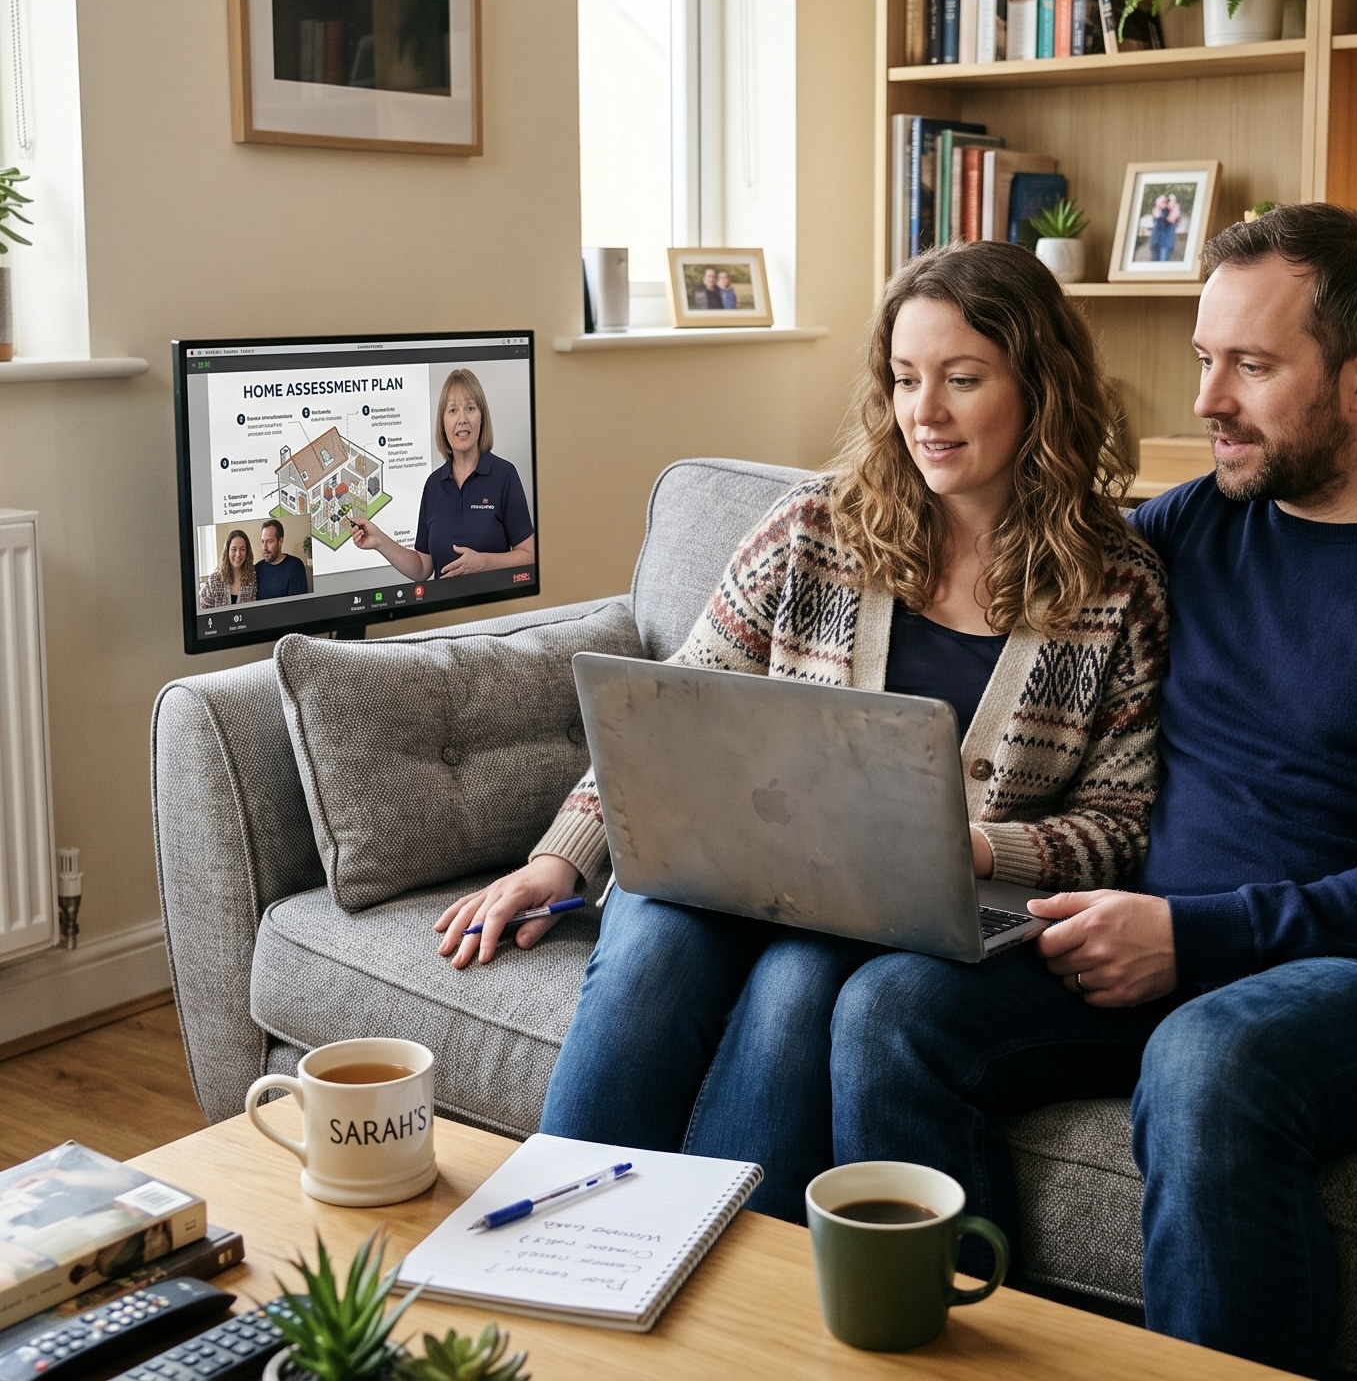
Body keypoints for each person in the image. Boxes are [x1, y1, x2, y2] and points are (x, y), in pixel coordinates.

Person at [830, 202, 1357, 1379]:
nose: (1206, 401)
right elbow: (1013, 573)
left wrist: (1196, 938)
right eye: (1203, 358)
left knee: (1209, 1057)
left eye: (1252, 364)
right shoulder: (1186, 532)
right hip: (1157, 950)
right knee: (894, 1006)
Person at [435, 239, 1168, 1223]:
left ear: (1040, 387)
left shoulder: (1118, 587)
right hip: (738, 870)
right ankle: (552, 1263)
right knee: (649, 939)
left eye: (962, 379)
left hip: (914, 920)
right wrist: (560, 861)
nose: (926, 414)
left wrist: (976, 848)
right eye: (907, 380)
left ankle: (726, 1314)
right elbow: (670, 721)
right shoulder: (812, 527)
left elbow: (1124, 825)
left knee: (796, 983)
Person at [349, 368, 534, 581]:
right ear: (443, 423)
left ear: (481, 418)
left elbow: (529, 556)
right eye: (453, 410)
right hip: (445, 612)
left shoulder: (504, 475)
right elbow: (421, 567)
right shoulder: (433, 485)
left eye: (471, 408)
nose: (462, 419)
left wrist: (483, 563)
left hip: (495, 610)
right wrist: (379, 540)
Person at [197, 528, 256, 609]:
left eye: (242, 549)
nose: (238, 554)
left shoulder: (252, 578)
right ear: (227, 551)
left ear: (247, 552)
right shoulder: (215, 579)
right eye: (233, 549)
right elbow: (203, 608)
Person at [253, 518, 310, 599]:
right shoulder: (257, 569)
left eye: (269, 541)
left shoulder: (295, 566)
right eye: (262, 541)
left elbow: (297, 606)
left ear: (280, 541)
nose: (264, 547)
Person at [1146, 193, 1183, 263]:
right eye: (1163, 202)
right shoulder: (1157, 211)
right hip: (1155, 242)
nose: (1165, 204)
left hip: (1165, 243)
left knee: (1162, 262)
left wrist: (1173, 206)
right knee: (1153, 261)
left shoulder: (1171, 212)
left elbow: (1172, 219)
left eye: (1165, 202)